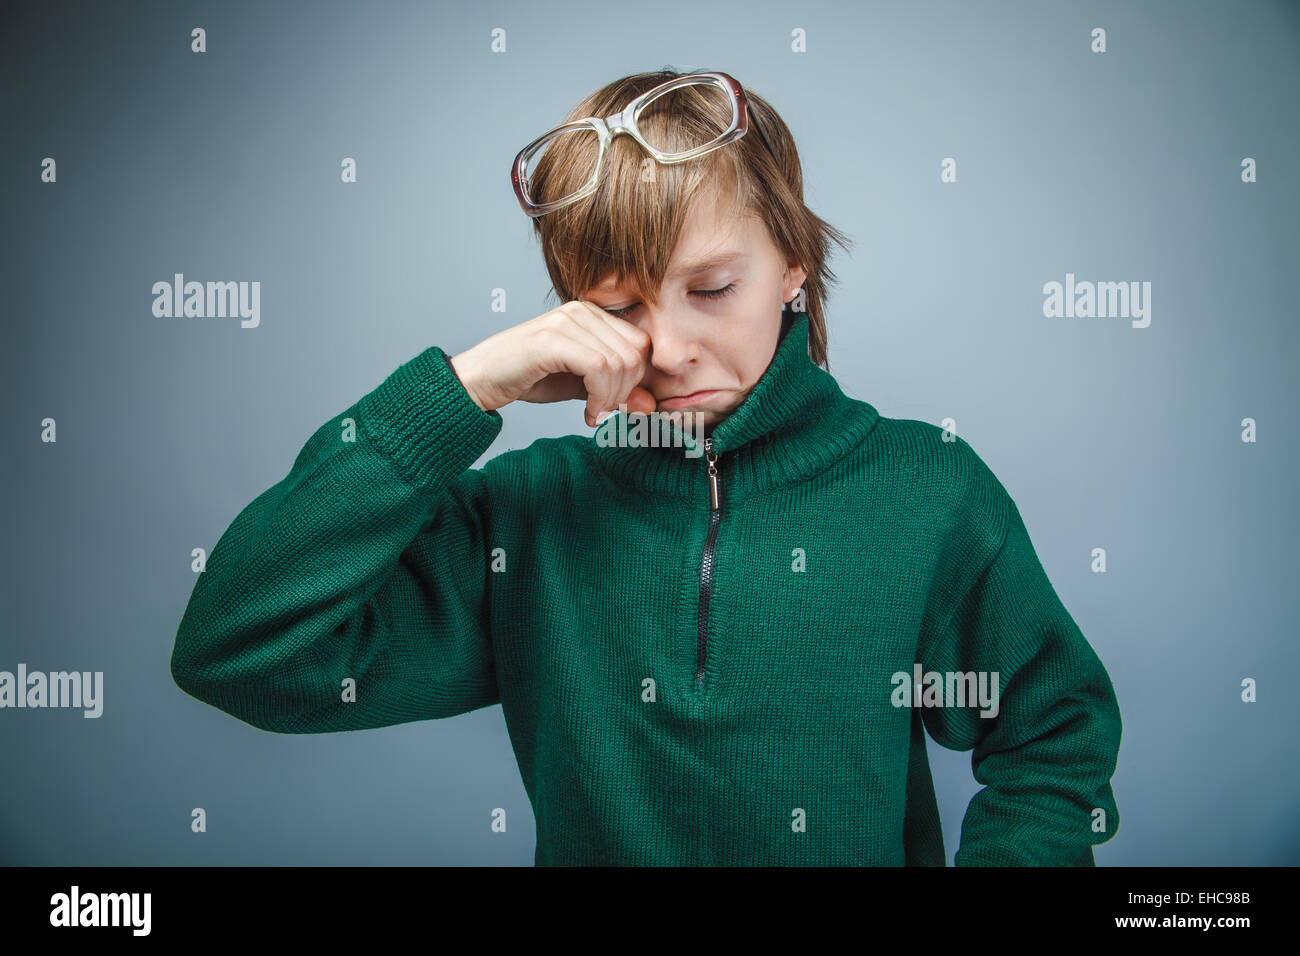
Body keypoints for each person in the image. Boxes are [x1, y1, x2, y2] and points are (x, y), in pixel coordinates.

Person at [170, 68, 1122, 866]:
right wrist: (462, 392)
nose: (667, 347)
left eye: (712, 288)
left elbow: (1050, 739)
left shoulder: (928, 489)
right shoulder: (527, 518)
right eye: (618, 307)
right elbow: (241, 652)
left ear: (794, 265)